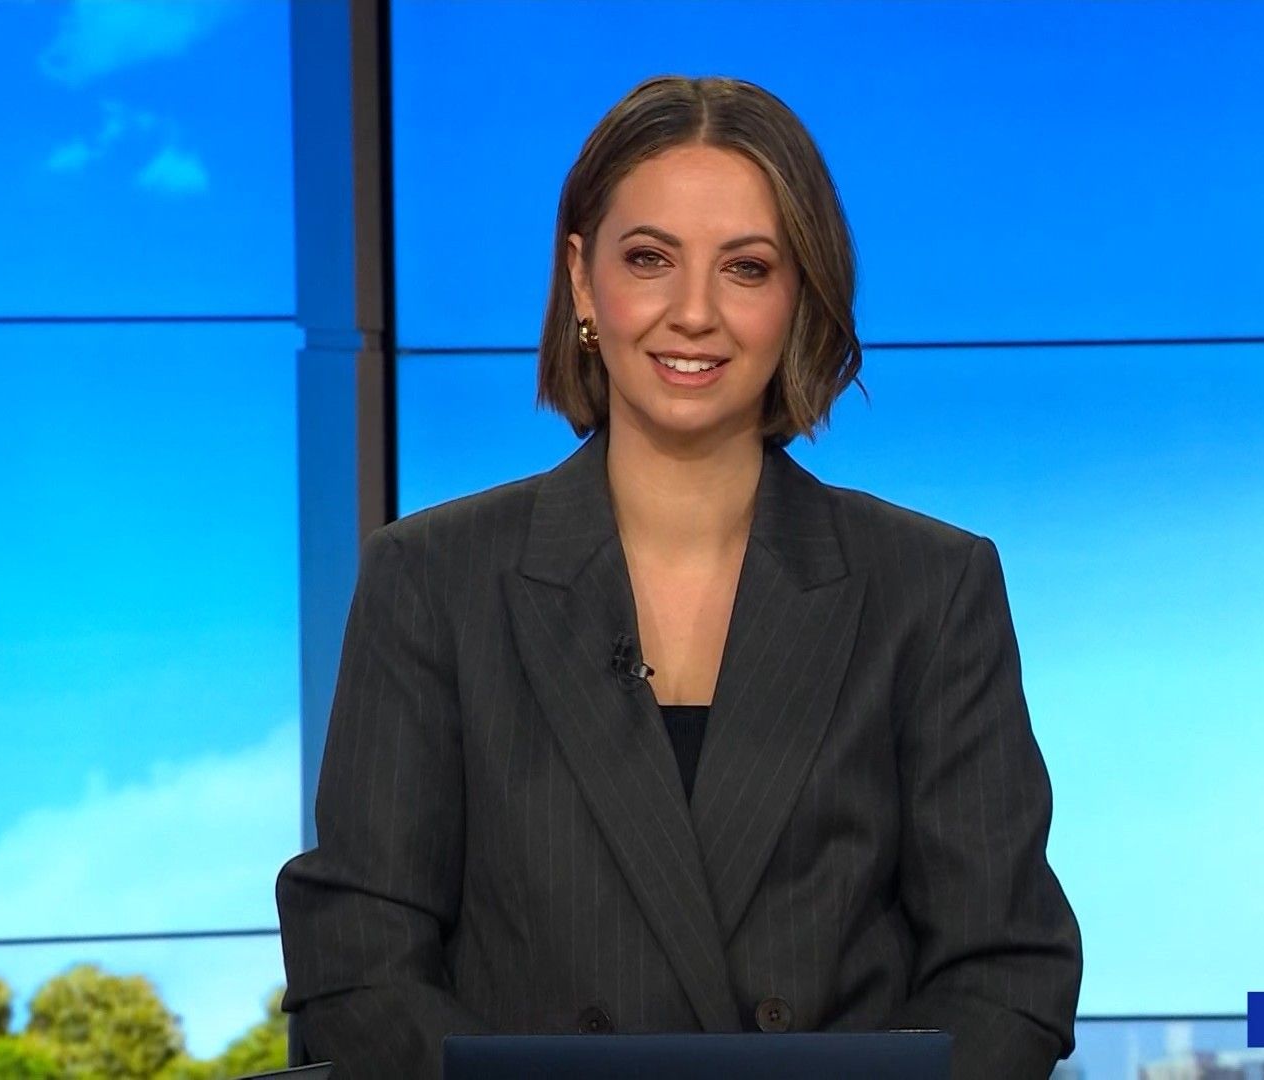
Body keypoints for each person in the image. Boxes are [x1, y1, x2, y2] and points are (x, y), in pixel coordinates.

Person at [276, 74, 1082, 1079]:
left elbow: (1005, 967)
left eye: (746, 268)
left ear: (799, 296)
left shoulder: (931, 588)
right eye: (650, 259)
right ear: (582, 280)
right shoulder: (432, 580)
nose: (694, 313)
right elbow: (360, 955)